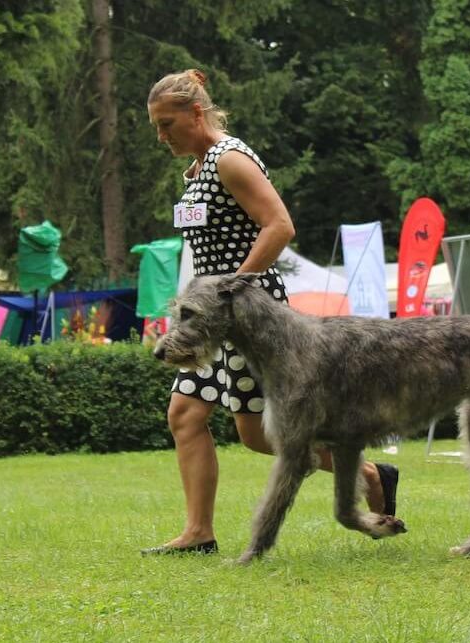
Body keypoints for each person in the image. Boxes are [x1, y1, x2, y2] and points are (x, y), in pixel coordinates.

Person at [143, 69, 398, 555]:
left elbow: (280, 225)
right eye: (156, 126)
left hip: (249, 317)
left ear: (196, 113)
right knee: (185, 415)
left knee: (259, 435)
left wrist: (233, 287)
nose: (161, 136)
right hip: (211, 317)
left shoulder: (230, 159)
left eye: (167, 124)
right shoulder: (197, 169)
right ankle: (198, 533)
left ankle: (368, 473)